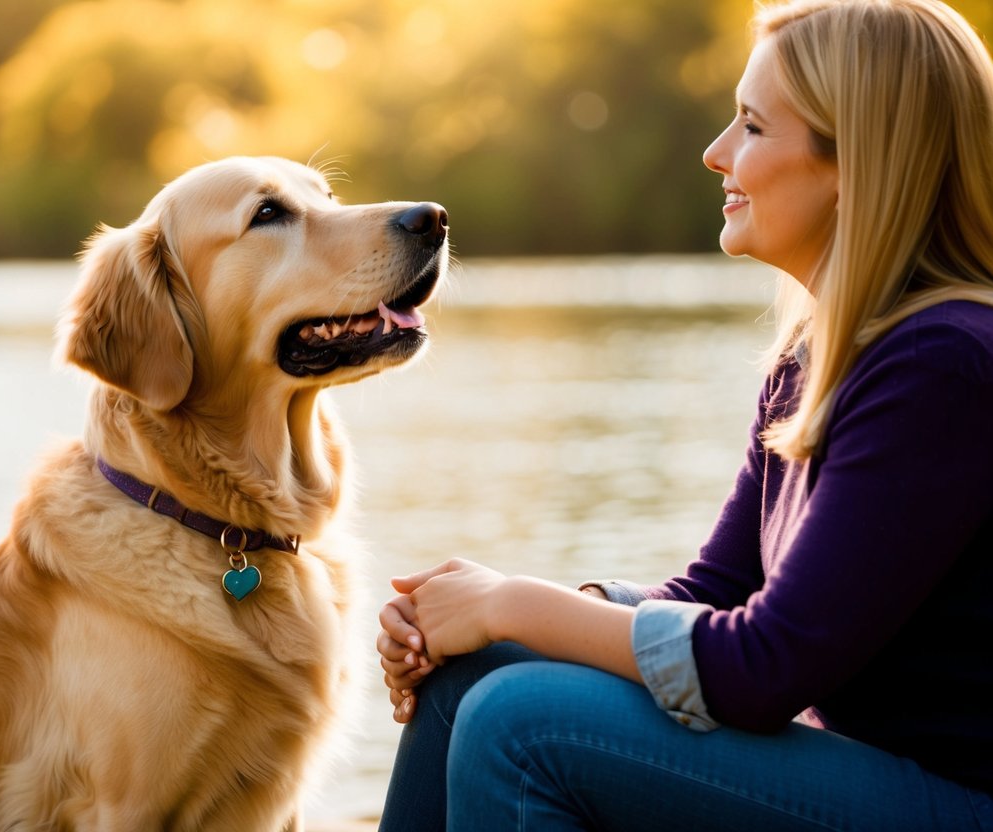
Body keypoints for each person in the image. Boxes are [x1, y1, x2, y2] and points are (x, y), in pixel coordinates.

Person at [375, 0, 993, 829]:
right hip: (871, 778)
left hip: (958, 801)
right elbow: (715, 592)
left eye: (750, 126)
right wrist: (492, 616)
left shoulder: (943, 364)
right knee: (475, 675)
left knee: (522, 721)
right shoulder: (817, 358)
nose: (715, 153)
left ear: (856, 161)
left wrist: (512, 603)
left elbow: (761, 666)